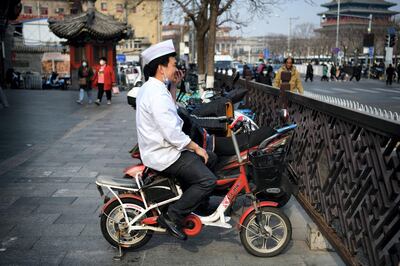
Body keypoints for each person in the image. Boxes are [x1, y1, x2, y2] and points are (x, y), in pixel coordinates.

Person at [137, 40, 217, 240]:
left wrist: (173, 84)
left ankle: (198, 202)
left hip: (162, 149)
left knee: (212, 158)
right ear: (161, 67)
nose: (175, 68)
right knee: (208, 180)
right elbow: (172, 132)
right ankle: (174, 215)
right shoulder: (156, 93)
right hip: (164, 154)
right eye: (172, 64)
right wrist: (196, 147)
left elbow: (170, 108)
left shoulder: (153, 87)